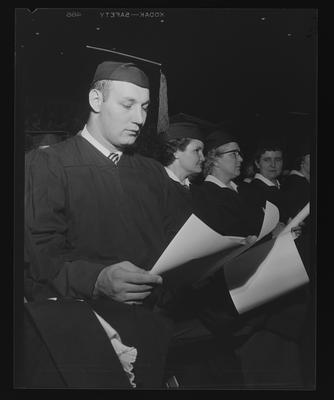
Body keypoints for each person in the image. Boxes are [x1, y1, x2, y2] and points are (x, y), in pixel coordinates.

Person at [23, 60, 194, 388]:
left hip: (154, 329)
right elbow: (38, 263)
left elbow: (177, 242)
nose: (139, 119)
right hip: (84, 336)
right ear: (96, 101)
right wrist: (97, 279)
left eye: (145, 107)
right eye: (127, 105)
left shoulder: (151, 172)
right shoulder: (47, 164)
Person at [238, 141, 289, 237]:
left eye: (278, 160)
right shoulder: (249, 191)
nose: (273, 165)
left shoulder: (286, 188)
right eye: (267, 160)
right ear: (257, 164)